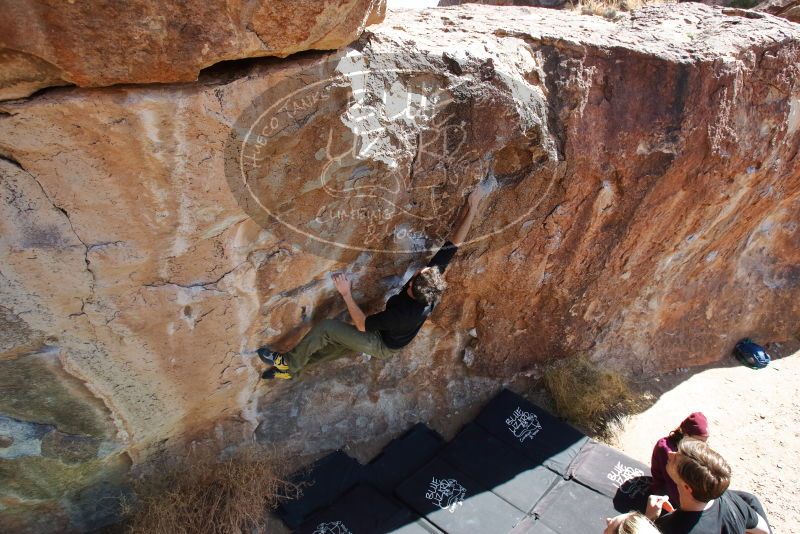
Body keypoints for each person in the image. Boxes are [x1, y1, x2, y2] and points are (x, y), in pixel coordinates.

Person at [256, 186, 487, 380]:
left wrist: (346, 293)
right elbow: (454, 244)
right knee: (335, 346)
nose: (420, 270)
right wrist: (472, 207)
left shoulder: (402, 315)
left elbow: (362, 325)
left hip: (381, 344)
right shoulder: (430, 285)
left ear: (410, 289)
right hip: (389, 334)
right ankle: (292, 371)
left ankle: (287, 363)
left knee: (327, 329)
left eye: (416, 274)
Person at [649, 439, 771, 534]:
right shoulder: (730, 500)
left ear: (687, 487)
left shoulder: (667, 527)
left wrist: (649, 520)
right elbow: (763, 530)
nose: (670, 453)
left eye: (675, 459)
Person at [650, 412, 710, 509]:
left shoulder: (692, 448)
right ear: (686, 435)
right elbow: (673, 485)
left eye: (705, 441)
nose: (703, 445)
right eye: (699, 441)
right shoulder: (666, 450)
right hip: (666, 493)